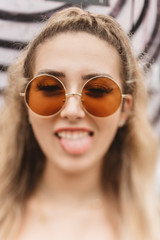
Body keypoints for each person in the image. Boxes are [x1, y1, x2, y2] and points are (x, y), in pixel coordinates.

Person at [0, 6, 159, 240]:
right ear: (26, 105)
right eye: (50, 88)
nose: (72, 111)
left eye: (97, 90)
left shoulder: (154, 223)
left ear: (125, 109)